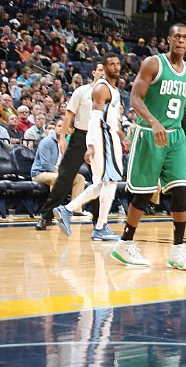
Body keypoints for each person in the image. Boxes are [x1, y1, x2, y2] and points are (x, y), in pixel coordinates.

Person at [111, 24, 186, 271]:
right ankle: (125, 243)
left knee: (181, 191)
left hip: (176, 137)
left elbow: (181, 111)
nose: (181, 40)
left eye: (185, 37)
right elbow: (135, 99)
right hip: (149, 134)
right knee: (144, 194)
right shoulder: (153, 64)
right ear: (168, 39)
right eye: (177, 36)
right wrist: (154, 121)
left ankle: (178, 250)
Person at [53, 54, 124, 241]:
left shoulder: (114, 89)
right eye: (111, 64)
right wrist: (91, 146)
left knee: (103, 184)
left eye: (118, 64)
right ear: (104, 68)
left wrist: (123, 137)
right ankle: (99, 226)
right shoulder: (101, 88)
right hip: (102, 140)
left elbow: (112, 120)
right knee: (109, 182)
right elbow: (94, 119)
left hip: (110, 138)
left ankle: (70, 211)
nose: (116, 67)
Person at [35, 63, 106, 231]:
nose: (103, 73)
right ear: (94, 72)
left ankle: (99, 221)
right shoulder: (81, 91)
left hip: (99, 137)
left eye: (106, 70)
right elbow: (69, 114)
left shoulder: (111, 94)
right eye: (100, 69)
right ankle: (46, 216)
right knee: (64, 178)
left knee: (100, 179)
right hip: (80, 135)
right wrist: (62, 137)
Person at [31, 119, 85, 202]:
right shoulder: (46, 141)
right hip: (40, 173)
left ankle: (75, 209)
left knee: (80, 178)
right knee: (57, 178)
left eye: (64, 127)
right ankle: (54, 207)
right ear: (55, 128)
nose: (61, 128)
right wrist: (60, 173)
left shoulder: (67, 143)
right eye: (59, 126)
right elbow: (45, 164)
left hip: (59, 172)